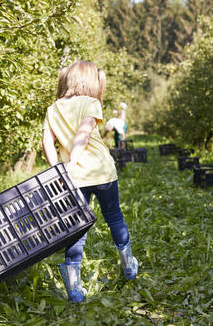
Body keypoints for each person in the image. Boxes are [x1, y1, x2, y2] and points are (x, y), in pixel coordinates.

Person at [42, 61, 138, 303]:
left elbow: (47, 142)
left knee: (77, 228)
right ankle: (128, 264)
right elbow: (84, 134)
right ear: (90, 82)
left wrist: (59, 169)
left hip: (75, 179)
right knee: (113, 216)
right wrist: (74, 162)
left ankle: (74, 288)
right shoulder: (91, 103)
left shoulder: (53, 108)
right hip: (102, 172)